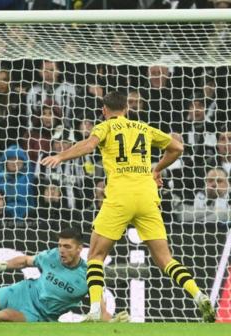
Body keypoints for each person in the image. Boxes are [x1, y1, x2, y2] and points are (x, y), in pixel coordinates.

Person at [40, 91, 215, 322]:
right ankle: (199, 295)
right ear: (127, 109)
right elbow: (177, 148)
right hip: (146, 196)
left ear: (104, 111)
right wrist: (157, 169)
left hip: (120, 196)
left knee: (95, 255)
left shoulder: (105, 127)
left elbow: (89, 145)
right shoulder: (142, 128)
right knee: (165, 259)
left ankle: (94, 310)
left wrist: (61, 156)